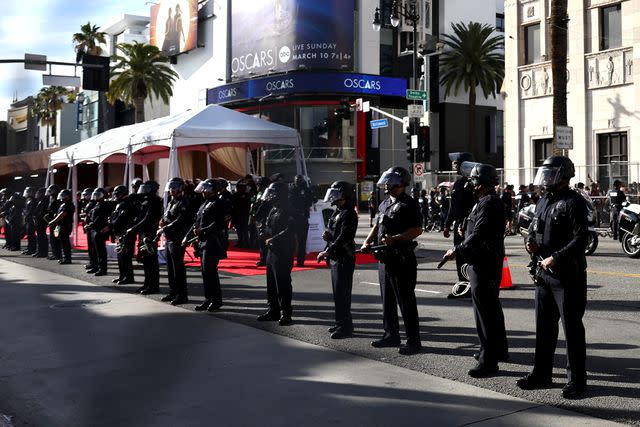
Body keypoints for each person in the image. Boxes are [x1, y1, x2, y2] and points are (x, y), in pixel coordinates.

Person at [517, 156, 589, 399]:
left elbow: (581, 239)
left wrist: (556, 256)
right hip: (543, 274)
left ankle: (577, 381)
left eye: (551, 174)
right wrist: (531, 244)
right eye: (544, 174)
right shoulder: (543, 200)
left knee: (572, 329)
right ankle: (541, 374)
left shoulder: (574, 201)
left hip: (568, 276)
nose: (546, 179)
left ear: (564, 176)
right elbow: (535, 229)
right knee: (544, 328)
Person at [443, 163, 508, 378]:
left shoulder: (488, 203)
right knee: (492, 309)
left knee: (485, 313)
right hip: (483, 261)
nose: (471, 185)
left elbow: (480, 234)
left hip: (484, 264)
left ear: (481, 184)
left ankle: (488, 361)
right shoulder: (483, 202)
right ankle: (497, 350)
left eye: (473, 181)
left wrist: (457, 249)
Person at [361, 166, 423, 355]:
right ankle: (391, 335)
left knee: (406, 302)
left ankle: (413, 342)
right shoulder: (384, 203)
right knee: (387, 300)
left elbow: (417, 230)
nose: (387, 186)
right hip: (385, 259)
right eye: (387, 182)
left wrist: (396, 238)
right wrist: (367, 241)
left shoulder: (409, 204)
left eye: (391, 183)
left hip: (402, 259)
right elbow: (378, 224)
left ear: (401, 183)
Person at [317, 181, 358, 339]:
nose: (334, 197)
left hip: (344, 257)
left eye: (337, 193)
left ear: (345, 195)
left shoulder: (349, 213)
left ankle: (346, 327)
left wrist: (328, 250)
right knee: (337, 293)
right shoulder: (337, 211)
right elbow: (333, 233)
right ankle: (340, 322)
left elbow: (345, 237)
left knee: (343, 294)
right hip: (335, 256)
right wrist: (327, 239)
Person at [184, 178, 229, 312]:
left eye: (206, 188)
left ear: (213, 190)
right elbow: (197, 221)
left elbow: (219, 223)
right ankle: (208, 299)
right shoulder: (205, 203)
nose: (203, 191)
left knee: (210, 272)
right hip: (203, 241)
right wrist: (188, 236)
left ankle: (216, 300)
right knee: (205, 272)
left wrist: (202, 231)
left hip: (213, 241)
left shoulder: (218, 203)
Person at [257, 181, 296, 326]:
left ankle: (286, 314)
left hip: (283, 251)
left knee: (283, 284)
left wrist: (274, 238)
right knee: (271, 283)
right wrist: (263, 231)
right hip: (271, 251)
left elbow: (290, 230)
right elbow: (268, 226)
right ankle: (273, 310)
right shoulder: (273, 209)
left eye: (273, 194)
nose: (271, 197)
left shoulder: (289, 209)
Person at [443, 153, 475, 296]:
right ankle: (462, 286)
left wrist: (465, 223)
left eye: (456, 163)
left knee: (469, 256)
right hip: (458, 226)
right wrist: (447, 224)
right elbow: (452, 206)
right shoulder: (457, 183)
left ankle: (472, 287)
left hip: (469, 226)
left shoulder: (473, 183)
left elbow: (475, 206)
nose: (453, 165)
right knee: (460, 257)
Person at [127, 180, 163, 295]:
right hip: (144, 233)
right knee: (146, 260)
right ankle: (147, 283)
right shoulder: (146, 201)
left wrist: (134, 228)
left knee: (151, 261)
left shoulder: (156, 201)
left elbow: (148, 218)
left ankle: (153, 286)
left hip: (150, 234)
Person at [160, 178, 191, 305]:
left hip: (177, 238)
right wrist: (162, 221)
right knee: (170, 268)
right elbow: (167, 216)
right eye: (171, 187)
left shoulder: (184, 202)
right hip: (169, 238)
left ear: (180, 188)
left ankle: (182, 295)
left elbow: (181, 220)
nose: (172, 190)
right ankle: (173, 291)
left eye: (175, 187)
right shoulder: (171, 202)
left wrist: (166, 226)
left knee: (178, 268)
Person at [107, 185, 136, 285]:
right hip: (120, 233)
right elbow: (114, 217)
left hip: (126, 234)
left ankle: (128, 277)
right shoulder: (120, 204)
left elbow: (120, 219)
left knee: (125, 257)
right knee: (120, 256)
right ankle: (122, 275)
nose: (115, 196)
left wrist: (110, 224)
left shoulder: (127, 204)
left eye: (117, 194)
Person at [85, 188, 113, 276]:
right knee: (94, 250)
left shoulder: (105, 205)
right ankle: (95, 266)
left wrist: (91, 224)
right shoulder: (96, 204)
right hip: (94, 229)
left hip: (100, 230)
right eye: (95, 194)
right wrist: (89, 223)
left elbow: (101, 218)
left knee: (101, 251)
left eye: (98, 194)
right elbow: (91, 215)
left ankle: (102, 269)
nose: (96, 196)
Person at [289, 174, 314, 267]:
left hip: (303, 218)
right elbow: (288, 202)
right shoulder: (290, 189)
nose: (298, 182)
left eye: (300, 180)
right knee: (291, 240)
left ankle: (300, 261)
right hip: (292, 218)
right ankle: (289, 260)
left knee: (302, 240)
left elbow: (310, 201)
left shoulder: (306, 189)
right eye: (296, 180)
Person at [48, 189, 75, 264]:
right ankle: (58, 255)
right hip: (58, 225)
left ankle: (67, 258)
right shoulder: (62, 204)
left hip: (65, 226)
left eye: (63, 196)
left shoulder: (69, 204)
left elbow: (62, 214)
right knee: (56, 239)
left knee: (65, 242)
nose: (62, 197)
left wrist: (53, 221)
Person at [231, 180, 251, 248]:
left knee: (244, 230)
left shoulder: (247, 195)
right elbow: (233, 205)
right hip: (238, 215)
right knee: (239, 230)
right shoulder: (235, 195)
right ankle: (241, 242)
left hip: (244, 215)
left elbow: (248, 205)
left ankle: (246, 243)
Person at [45, 185, 63, 260]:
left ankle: (58, 255)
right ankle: (54, 254)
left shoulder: (58, 200)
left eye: (51, 190)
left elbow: (57, 212)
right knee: (52, 238)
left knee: (56, 238)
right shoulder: (51, 199)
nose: (49, 192)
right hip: (52, 222)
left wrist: (53, 220)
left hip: (57, 223)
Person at [32, 187, 49, 258]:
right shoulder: (40, 200)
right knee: (39, 237)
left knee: (42, 237)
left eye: (38, 193)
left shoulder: (45, 201)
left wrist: (37, 217)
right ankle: (39, 251)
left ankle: (43, 252)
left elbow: (42, 212)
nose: (37, 194)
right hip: (38, 221)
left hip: (41, 221)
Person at [22, 187, 37, 255]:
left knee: (31, 235)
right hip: (27, 220)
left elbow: (31, 211)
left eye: (28, 191)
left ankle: (32, 249)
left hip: (31, 220)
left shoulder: (32, 200)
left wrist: (26, 215)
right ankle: (29, 248)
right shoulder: (27, 200)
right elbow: (26, 209)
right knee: (29, 235)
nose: (26, 193)